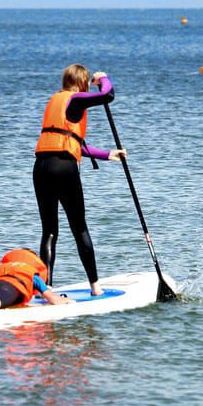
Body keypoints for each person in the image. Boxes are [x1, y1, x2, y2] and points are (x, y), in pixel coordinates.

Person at [33, 63, 126, 296]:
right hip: (64, 168)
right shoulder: (75, 99)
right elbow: (108, 95)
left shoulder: (55, 100)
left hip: (41, 167)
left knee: (50, 231)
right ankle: (95, 287)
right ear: (82, 83)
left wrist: (107, 154)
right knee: (79, 228)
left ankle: (47, 288)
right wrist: (103, 77)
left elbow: (69, 142)